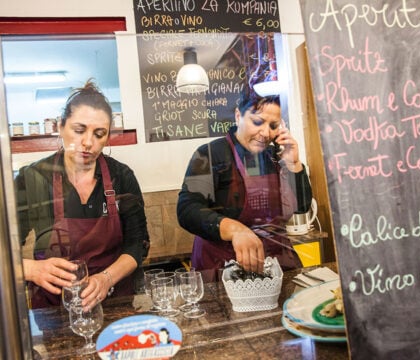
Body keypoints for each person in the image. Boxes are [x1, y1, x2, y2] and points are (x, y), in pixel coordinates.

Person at [15, 80, 149, 309]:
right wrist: (30, 269)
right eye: (79, 130)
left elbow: (138, 244)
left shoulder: (122, 176)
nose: (88, 142)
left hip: (115, 301)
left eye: (99, 134)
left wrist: (106, 279)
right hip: (54, 307)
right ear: (60, 127)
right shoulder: (33, 178)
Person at [177, 89, 312, 281]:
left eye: (273, 125)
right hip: (223, 266)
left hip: (275, 262)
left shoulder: (275, 156)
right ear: (238, 115)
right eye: (257, 122)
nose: (266, 133)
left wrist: (293, 164)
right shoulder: (209, 153)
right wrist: (236, 230)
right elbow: (187, 210)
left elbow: (302, 206)